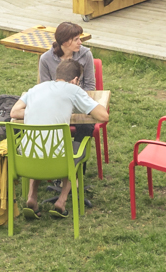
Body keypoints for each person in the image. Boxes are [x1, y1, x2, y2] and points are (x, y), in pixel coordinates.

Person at [11, 57, 109, 218]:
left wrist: (36, 112)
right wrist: (87, 105)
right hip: (58, 160)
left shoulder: (37, 88)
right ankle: (61, 201)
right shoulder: (73, 90)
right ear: (75, 79)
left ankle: (32, 197)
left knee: (41, 143)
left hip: (26, 159)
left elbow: (14, 112)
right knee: (74, 149)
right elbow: (103, 116)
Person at [38, 21, 97, 93]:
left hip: (80, 98)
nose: (80, 42)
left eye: (79, 38)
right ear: (64, 42)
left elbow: (89, 86)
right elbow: (45, 88)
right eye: (76, 40)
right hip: (56, 98)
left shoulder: (86, 55)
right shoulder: (45, 59)